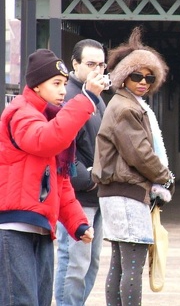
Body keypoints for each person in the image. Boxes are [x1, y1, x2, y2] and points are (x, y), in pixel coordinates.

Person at [0, 49, 102, 306]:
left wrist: (78, 223)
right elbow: (45, 140)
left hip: (40, 228)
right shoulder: (20, 113)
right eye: (56, 84)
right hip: (12, 229)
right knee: (21, 301)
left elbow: (60, 182)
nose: (62, 91)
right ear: (35, 86)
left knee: (40, 301)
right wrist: (85, 99)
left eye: (65, 84)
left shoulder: (49, 118)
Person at [91, 26, 175, 305]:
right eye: (136, 76)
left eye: (149, 78)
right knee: (133, 266)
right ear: (123, 77)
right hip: (126, 193)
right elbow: (139, 153)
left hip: (116, 193)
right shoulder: (127, 108)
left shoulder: (123, 104)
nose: (143, 82)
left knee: (120, 263)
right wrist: (165, 177)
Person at [55, 39, 107, 306]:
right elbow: (61, 148)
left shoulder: (96, 98)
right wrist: (86, 180)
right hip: (77, 195)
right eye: (90, 64)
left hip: (96, 195)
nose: (97, 69)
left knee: (91, 263)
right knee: (74, 262)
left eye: (101, 64)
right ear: (75, 64)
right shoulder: (72, 98)